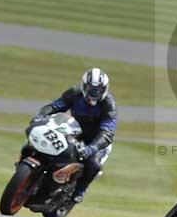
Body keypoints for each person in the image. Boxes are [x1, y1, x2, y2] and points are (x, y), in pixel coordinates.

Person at [32, 68, 117, 203]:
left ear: (105, 88)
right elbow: (54, 106)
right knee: (48, 139)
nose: (95, 93)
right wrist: (40, 116)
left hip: (96, 141)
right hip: (75, 131)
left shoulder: (109, 105)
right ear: (84, 86)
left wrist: (92, 148)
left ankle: (79, 191)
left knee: (93, 164)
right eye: (91, 88)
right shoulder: (74, 93)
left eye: (99, 89)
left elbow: (107, 132)